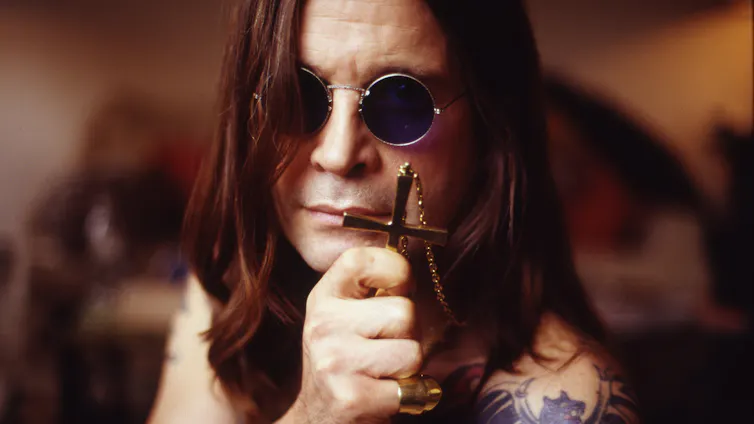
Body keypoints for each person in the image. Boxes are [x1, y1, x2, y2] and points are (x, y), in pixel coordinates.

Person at [148, 0, 640, 423]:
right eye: (294, 94)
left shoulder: (562, 402)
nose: (338, 154)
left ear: (491, 128)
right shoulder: (232, 275)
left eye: (403, 101)